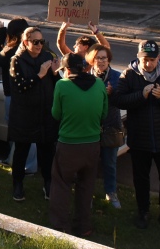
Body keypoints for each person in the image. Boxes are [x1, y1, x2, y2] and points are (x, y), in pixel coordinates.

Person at [112, 40, 160, 232]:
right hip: (139, 138)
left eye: (152, 60)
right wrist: (141, 95)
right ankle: (143, 212)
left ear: (158, 58)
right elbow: (119, 100)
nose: (148, 63)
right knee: (141, 178)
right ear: (138, 57)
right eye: (144, 59)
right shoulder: (128, 75)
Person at [49, 53, 107, 236]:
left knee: (61, 184)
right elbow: (104, 113)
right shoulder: (99, 83)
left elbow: (56, 114)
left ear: (67, 70)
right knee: (86, 185)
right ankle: (83, 227)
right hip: (92, 143)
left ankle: (60, 226)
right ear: (84, 67)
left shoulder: (62, 85)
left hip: (68, 143)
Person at [8, 27, 60, 202]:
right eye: (35, 42)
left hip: (45, 114)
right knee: (21, 151)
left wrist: (55, 72)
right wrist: (40, 75)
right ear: (25, 42)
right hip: (24, 114)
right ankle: (17, 184)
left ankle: (48, 184)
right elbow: (20, 87)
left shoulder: (47, 57)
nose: (39, 45)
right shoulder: (16, 60)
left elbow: (57, 83)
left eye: (41, 42)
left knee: (47, 152)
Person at [86, 44, 122, 209]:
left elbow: (123, 100)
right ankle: (88, 194)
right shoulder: (86, 77)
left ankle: (111, 192)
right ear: (92, 60)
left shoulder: (117, 77)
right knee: (89, 163)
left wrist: (112, 94)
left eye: (104, 58)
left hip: (111, 126)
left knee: (110, 162)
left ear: (108, 60)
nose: (101, 61)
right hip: (91, 127)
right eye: (97, 58)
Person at [0, 18, 30, 166]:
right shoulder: (32, 47)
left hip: (12, 95)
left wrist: (0, 37)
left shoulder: (11, 50)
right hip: (28, 94)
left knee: (14, 130)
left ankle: (13, 158)